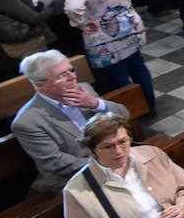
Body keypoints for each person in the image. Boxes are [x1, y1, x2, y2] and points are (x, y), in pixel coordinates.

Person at [11, 50, 128, 189]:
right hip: (76, 178)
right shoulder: (28, 121)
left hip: (114, 158)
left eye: (71, 70)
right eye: (62, 75)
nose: (72, 77)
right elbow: (55, 162)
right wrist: (106, 163)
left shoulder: (83, 89)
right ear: (41, 85)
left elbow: (124, 115)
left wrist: (96, 104)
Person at [62, 0, 154, 113]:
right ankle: (149, 107)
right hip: (131, 27)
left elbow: (73, 6)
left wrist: (82, 23)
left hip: (105, 39)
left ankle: (131, 115)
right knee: (138, 68)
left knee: (118, 78)